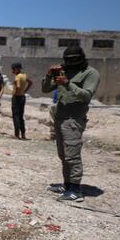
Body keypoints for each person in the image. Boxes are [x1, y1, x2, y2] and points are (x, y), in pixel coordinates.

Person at [42, 46, 100, 202]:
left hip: (74, 120)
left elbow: (86, 96)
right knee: (63, 155)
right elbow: (45, 89)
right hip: (60, 118)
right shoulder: (64, 71)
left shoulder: (90, 73)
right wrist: (49, 75)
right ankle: (67, 184)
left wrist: (68, 83)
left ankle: (75, 189)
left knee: (72, 156)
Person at [11, 62, 33, 139]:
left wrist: (16, 93)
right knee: (21, 116)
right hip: (22, 97)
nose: (12, 71)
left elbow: (18, 86)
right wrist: (24, 91)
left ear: (17, 69)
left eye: (13, 69)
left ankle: (17, 134)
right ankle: (23, 134)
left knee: (15, 116)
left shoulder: (17, 77)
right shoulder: (24, 76)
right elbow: (30, 83)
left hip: (17, 98)